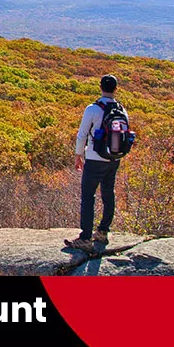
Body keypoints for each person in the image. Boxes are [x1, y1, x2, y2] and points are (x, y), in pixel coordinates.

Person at [64, 74, 128, 251]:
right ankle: (103, 231)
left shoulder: (93, 109)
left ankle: (85, 238)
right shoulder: (122, 109)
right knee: (108, 194)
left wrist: (78, 155)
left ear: (100, 87)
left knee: (88, 196)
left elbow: (82, 134)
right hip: (113, 159)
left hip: (94, 158)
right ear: (115, 89)